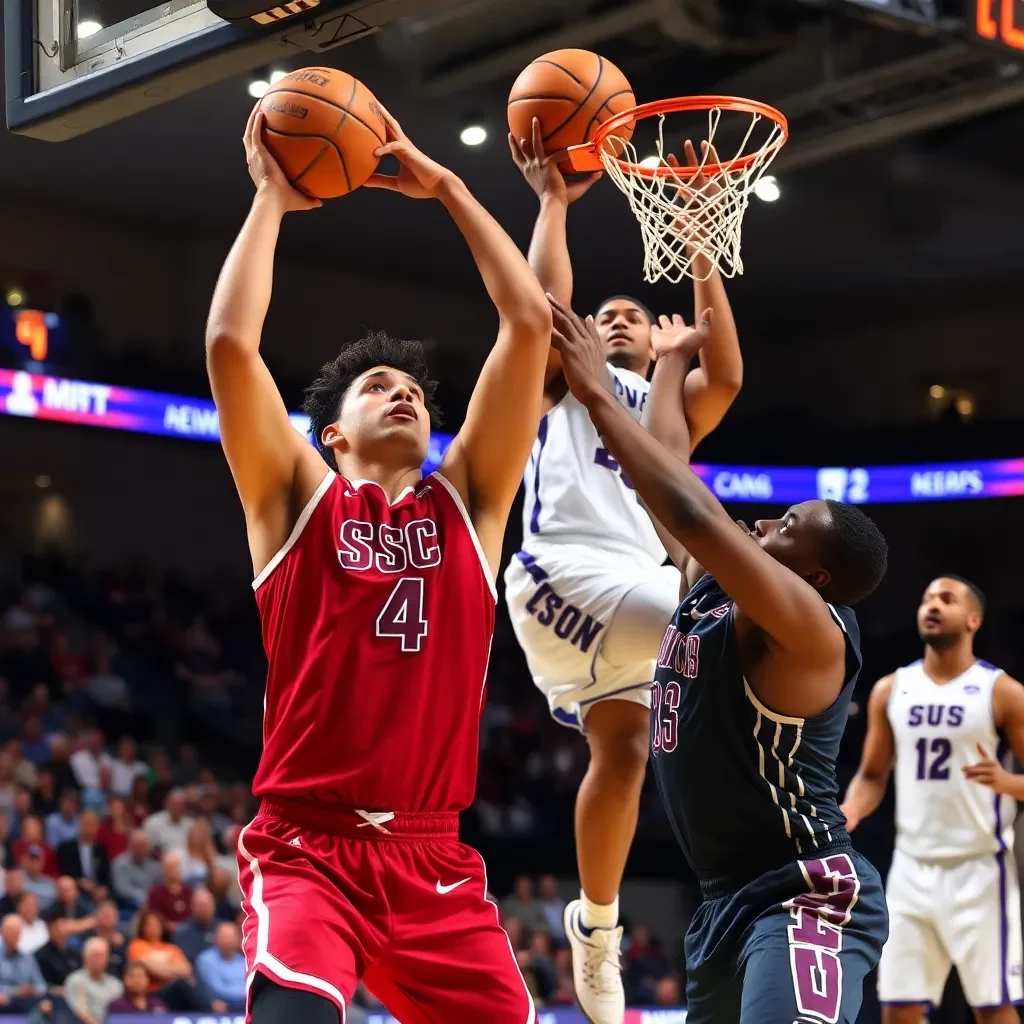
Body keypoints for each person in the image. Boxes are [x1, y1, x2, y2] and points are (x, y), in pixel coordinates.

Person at [207, 101, 550, 1024]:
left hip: (433, 859)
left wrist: (446, 187)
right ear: (331, 434)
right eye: (375, 386)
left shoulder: (471, 501)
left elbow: (527, 326)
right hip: (307, 849)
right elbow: (231, 348)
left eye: (413, 390)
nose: (402, 392)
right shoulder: (295, 499)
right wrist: (272, 200)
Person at [546, 296, 890, 1024]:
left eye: (788, 526)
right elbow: (666, 477)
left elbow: (692, 511)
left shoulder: (812, 628)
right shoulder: (708, 591)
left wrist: (599, 397)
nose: (767, 520)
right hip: (722, 902)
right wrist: (671, 364)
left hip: (803, 893)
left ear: (816, 575)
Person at [504, 125, 743, 1021]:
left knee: (625, 754)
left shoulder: (666, 398)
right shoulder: (567, 382)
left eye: (632, 317)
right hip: (563, 569)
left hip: (638, 587)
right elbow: (537, 306)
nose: (614, 321)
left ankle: (596, 930)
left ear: (655, 337)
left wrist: (700, 256)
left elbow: (724, 371)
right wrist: (554, 205)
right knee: (727, 608)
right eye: (602, 316)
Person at [841, 575, 1024, 1021]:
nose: (932, 606)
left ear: (974, 619)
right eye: (926, 599)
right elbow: (871, 775)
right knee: (897, 1008)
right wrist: (848, 812)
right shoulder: (891, 689)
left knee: (993, 1009)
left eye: (947, 599)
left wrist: (1009, 783)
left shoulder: (1001, 691)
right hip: (911, 867)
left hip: (982, 869)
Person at [63, 937, 123, 1024]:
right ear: (85, 957)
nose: (99, 959)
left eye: (102, 955)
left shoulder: (116, 984)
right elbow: (81, 1013)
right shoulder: (76, 980)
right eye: (95, 955)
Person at [57, 811, 111, 901]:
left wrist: (103, 889)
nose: (89, 829)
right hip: (75, 891)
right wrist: (79, 882)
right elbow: (64, 873)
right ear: (79, 826)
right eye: (87, 824)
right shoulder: (66, 848)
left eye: (93, 825)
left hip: (97, 893)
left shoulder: (101, 850)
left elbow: (106, 877)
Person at [0, 914, 49, 1014]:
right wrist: (15, 991)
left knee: (47, 1004)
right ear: (2, 932)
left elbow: (41, 984)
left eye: (17, 931)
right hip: (5, 1001)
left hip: (27, 1001)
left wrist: (34, 990)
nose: (14, 935)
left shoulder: (28, 958)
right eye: (11, 931)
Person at [195, 922, 246, 1012]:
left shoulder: (243, 961)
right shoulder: (206, 959)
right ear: (216, 938)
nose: (228, 941)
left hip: (244, 1005)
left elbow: (250, 986)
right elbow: (217, 990)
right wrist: (247, 994)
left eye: (231, 937)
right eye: (224, 937)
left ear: (238, 939)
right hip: (220, 1006)